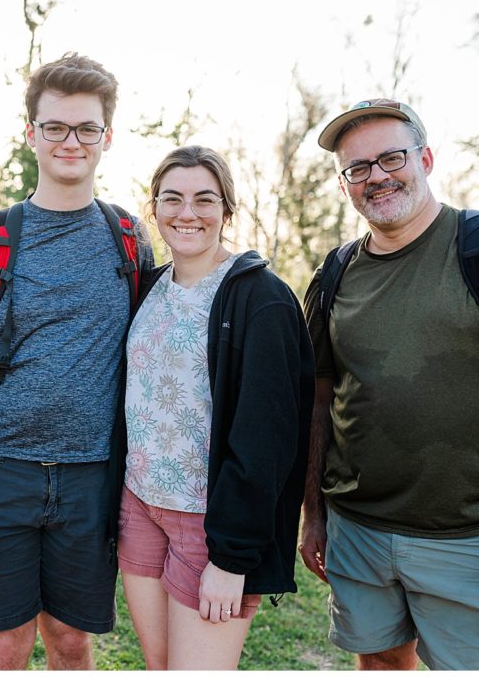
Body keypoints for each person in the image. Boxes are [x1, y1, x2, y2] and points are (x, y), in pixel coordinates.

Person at [0, 52, 153, 671]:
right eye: (55, 127)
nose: (70, 141)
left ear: (107, 138)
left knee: (71, 641)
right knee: (4, 647)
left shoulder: (130, 236)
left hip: (93, 476)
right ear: (31, 133)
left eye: (86, 128)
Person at [300, 98, 479, 670]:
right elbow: (320, 405)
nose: (376, 177)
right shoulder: (334, 274)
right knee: (378, 664)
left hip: (476, 542)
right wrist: (314, 514)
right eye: (358, 168)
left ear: (425, 158)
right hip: (359, 532)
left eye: (391, 158)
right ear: (345, 184)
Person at [118, 145, 314, 669]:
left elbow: (269, 437)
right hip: (140, 506)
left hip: (211, 524)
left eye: (205, 200)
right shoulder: (152, 286)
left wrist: (231, 558)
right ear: (154, 207)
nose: (188, 213)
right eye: (172, 199)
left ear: (227, 210)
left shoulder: (261, 298)